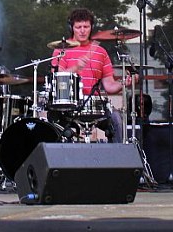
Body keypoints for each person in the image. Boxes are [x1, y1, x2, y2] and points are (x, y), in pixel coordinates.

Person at [50, 8, 133, 142]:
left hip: (94, 105)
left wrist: (123, 83)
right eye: (78, 27)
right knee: (53, 123)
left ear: (91, 27)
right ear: (72, 28)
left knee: (116, 118)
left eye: (86, 27)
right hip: (69, 106)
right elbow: (58, 79)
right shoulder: (61, 49)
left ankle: (119, 153)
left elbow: (109, 85)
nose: (82, 30)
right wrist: (76, 67)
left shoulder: (101, 52)